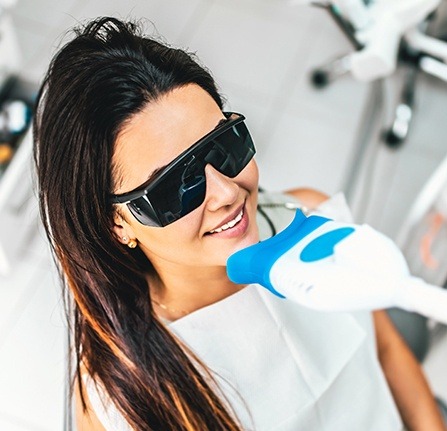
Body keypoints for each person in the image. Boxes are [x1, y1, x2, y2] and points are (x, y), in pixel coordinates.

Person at [33, 17, 445, 431]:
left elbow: (387, 351)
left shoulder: (309, 215)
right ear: (117, 224)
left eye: (223, 144)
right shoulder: (118, 402)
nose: (227, 192)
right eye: (175, 185)